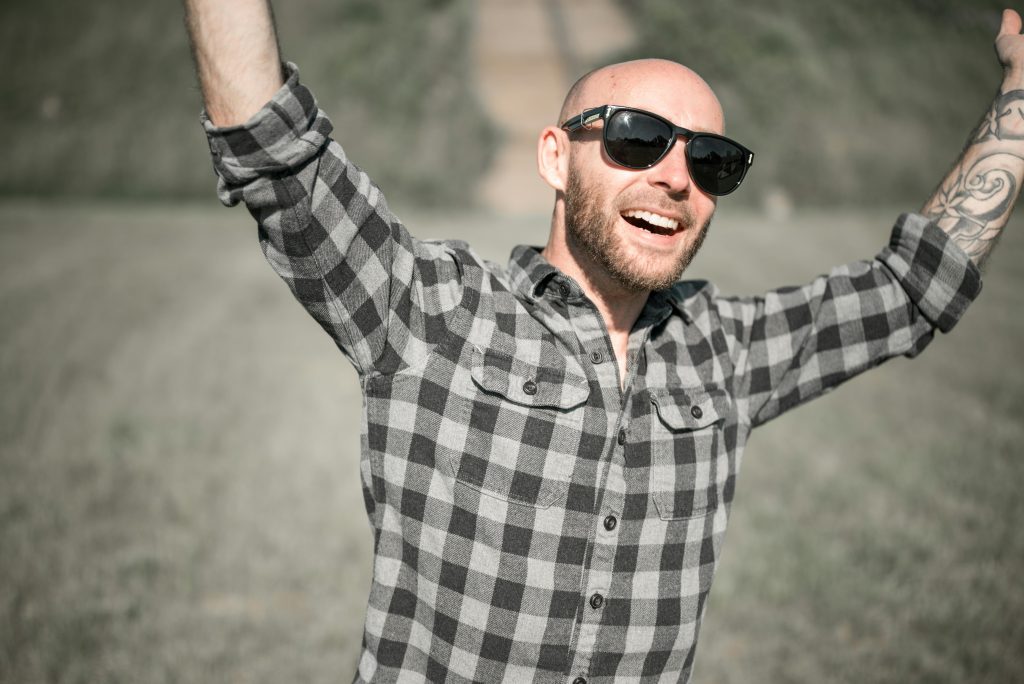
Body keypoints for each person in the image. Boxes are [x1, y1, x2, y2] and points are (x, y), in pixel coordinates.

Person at [184, 1, 1022, 681]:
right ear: (556, 157)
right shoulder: (430, 314)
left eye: (714, 162)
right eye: (636, 138)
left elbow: (912, 290)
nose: (674, 176)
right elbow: (274, 149)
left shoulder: (721, 350)